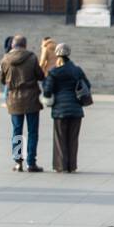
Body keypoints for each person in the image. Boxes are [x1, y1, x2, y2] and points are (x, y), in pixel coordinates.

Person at [41, 42, 91, 173]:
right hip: (76, 109)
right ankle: (72, 166)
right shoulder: (77, 70)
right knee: (73, 139)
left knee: (60, 138)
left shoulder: (54, 72)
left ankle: (60, 165)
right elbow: (88, 85)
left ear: (57, 55)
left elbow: (47, 91)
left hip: (60, 110)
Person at [0, 34, 45, 172]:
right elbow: (40, 75)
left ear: (13, 45)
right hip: (31, 97)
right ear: (25, 45)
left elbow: (2, 80)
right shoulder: (31, 57)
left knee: (17, 131)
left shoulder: (5, 59)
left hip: (14, 98)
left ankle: (18, 162)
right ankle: (31, 162)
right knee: (32, 132)